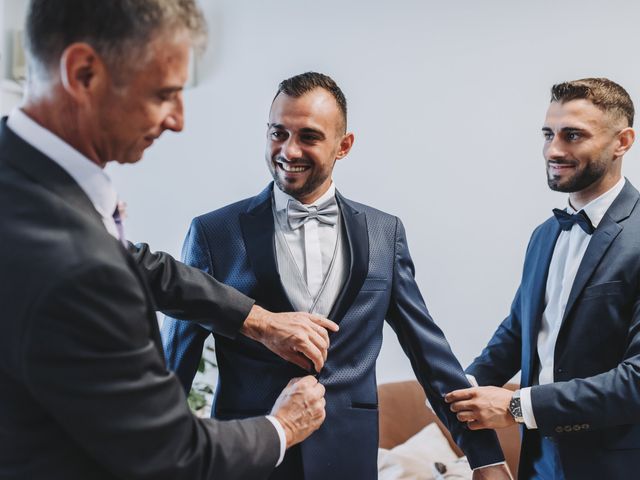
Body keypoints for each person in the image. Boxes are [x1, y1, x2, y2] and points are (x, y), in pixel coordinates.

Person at [0, 2, 337, 479]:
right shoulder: (78, 265)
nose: (178, 119)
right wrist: (282, 426)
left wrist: (256, 319)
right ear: (84, 74)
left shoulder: (21, 178)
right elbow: (175, 455)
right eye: (165, 94)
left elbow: (136, 261)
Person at [162, 72, 511, 480]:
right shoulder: (214, 233)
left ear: (343, 146)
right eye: (279, 133)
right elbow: (175, 360)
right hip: (250, 455)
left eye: (308, 136)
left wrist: (486, 458)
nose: (288, 150)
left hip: (348, 456)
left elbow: (431, 357)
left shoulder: (385, 233)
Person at [445, 78, 638, 479]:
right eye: (548, 134)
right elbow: (518, 333)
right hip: (538, 464)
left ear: (622, 141)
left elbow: (636, 379)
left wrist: (518, 406)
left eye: (573, 136)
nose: (553, 150)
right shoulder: (543, 236)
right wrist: (456, 386)